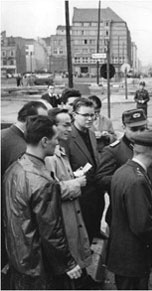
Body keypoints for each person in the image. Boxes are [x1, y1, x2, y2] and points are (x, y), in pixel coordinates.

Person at [2, 115, 82, 289]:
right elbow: (51, 231)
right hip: (38, 267)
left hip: (19, 260)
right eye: (55, 139)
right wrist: (68, 263)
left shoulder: (14, 168)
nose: (57, 143)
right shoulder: (43, 181)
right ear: (45, 141)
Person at [106, 129, 152, 290]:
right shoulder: (137, 180)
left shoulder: (124, 171)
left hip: (123, 253)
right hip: (133, 257)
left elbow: (129, 202)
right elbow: (141, 225)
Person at [45, 108, 93, 289]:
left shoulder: (60, 151)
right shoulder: (50, 157)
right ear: (52, 127)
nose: (70, 129)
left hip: (71, 218)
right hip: (63, 222)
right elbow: (50, 192)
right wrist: (76, 183)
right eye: (65, 125)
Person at [96, 109, 148, 225]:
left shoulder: (151, 148)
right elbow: (101, 179)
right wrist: (126, 180)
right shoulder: (113, 151)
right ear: (123, 127)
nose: (139, 133)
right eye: (134, 129)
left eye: (142, 129)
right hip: (123, 211)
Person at [62, 97, 104, 243]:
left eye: (92, 115)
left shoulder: (91, 133)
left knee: (96, 216)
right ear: (74, 115)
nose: (90, 118)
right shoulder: (67, 137)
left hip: (95, 187)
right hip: (82, 190)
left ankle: (94, 235)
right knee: (84, 224)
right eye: (85, 115)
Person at [1, 101, 48, 176]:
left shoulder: (3, 134)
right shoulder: (23, 148)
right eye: (41, 121)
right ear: (28, 119)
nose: (45, 126)